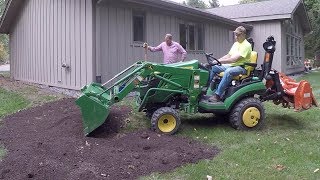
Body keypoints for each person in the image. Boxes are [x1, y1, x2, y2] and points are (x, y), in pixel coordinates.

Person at [209, 26, 252, 102]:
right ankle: (208, 88)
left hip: (242, 67)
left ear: (244, 35)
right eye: (235, 35)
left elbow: (233, 59)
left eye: (238, 35)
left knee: (228, 72)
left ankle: (217, 95)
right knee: (214, 67)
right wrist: (217, 61)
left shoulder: (247, 45)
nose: (236, 37)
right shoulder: (236, 44)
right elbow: (228, 55)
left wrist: (219, 61)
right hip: (232, 65)